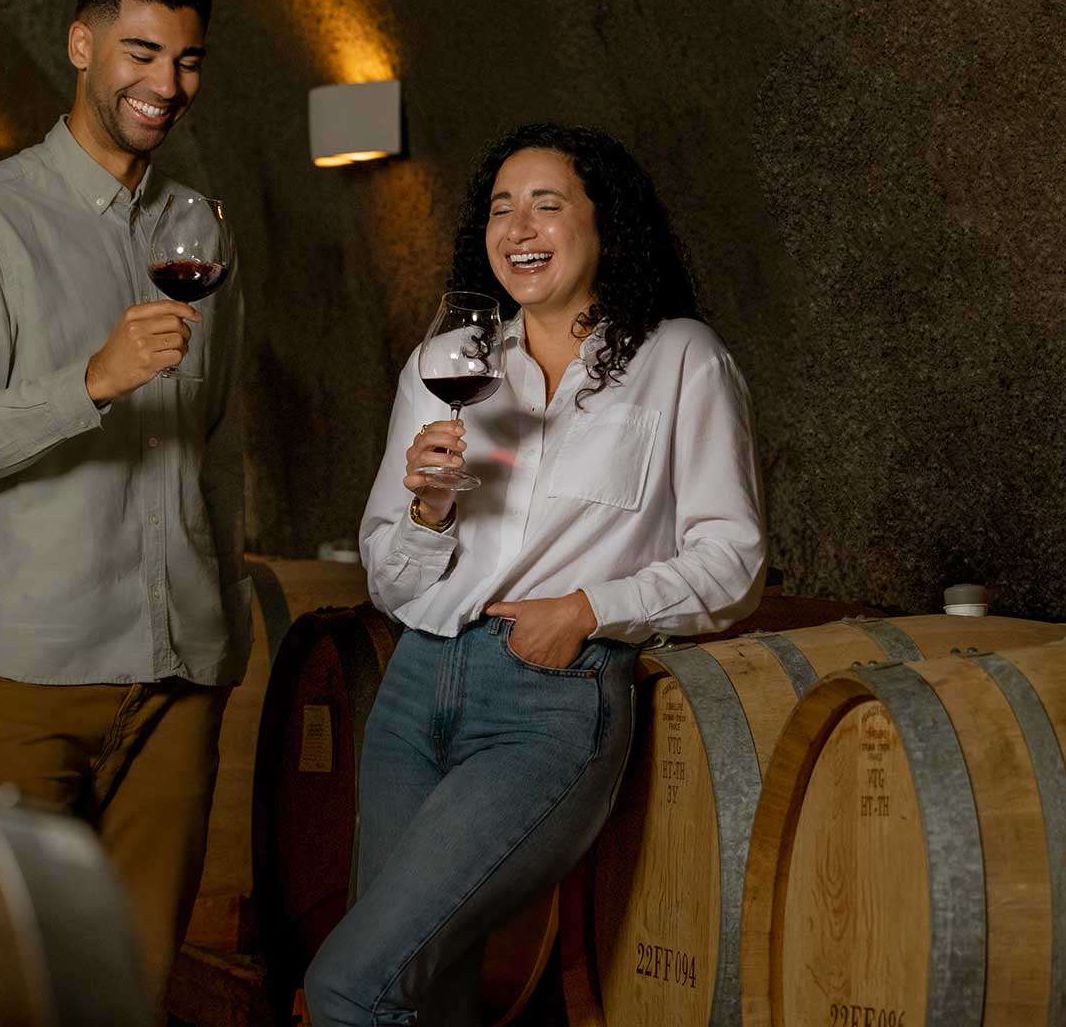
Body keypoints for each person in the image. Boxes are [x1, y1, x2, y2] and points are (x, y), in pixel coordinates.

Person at [305, 122, 764, 1024]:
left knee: (350, 985)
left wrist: (589, 608)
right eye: (500, 208)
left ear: (605, 226)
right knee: (428, 995)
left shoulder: (680, 360)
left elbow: (733, 561)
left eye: (548, 205)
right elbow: (390, 582)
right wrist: (428, 512)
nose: (519, 225)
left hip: (548, 699)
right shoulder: (448, 367)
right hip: (414, 688)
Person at [0, 0, 245, 1010]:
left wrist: (221, 620)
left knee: (132, 990)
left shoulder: (202, 228)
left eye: (187, 62)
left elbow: (212, 437)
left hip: (176, 667)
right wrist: (90, 379)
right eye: (141, 52)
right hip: (23, 667)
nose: (164, 85)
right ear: (83, 45)